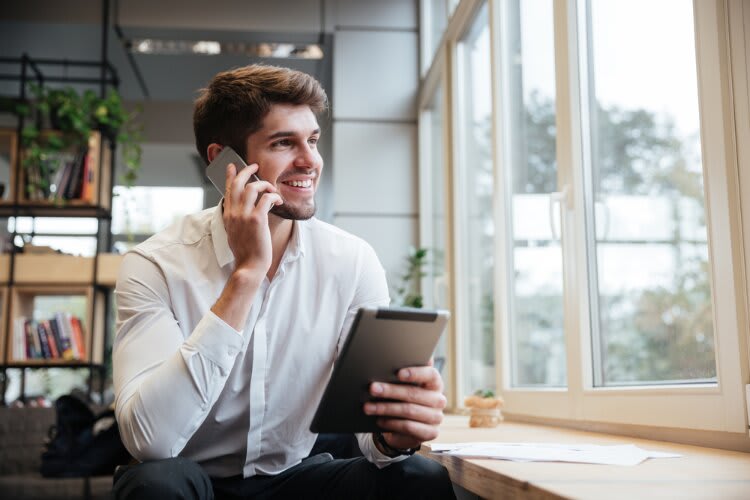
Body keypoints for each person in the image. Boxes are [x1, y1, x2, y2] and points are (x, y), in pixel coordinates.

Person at [111, 64, 455, 500]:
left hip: (295, 478)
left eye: (312, 140)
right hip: (194, 480)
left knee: (419, 480)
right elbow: (151, 442)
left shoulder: (351, 261)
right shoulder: (154, 265)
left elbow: (372, 438)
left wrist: (395, 432)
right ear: (224, 163)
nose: (310, 160)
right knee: (155, 486)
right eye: (283, 143)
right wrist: (247, 274)